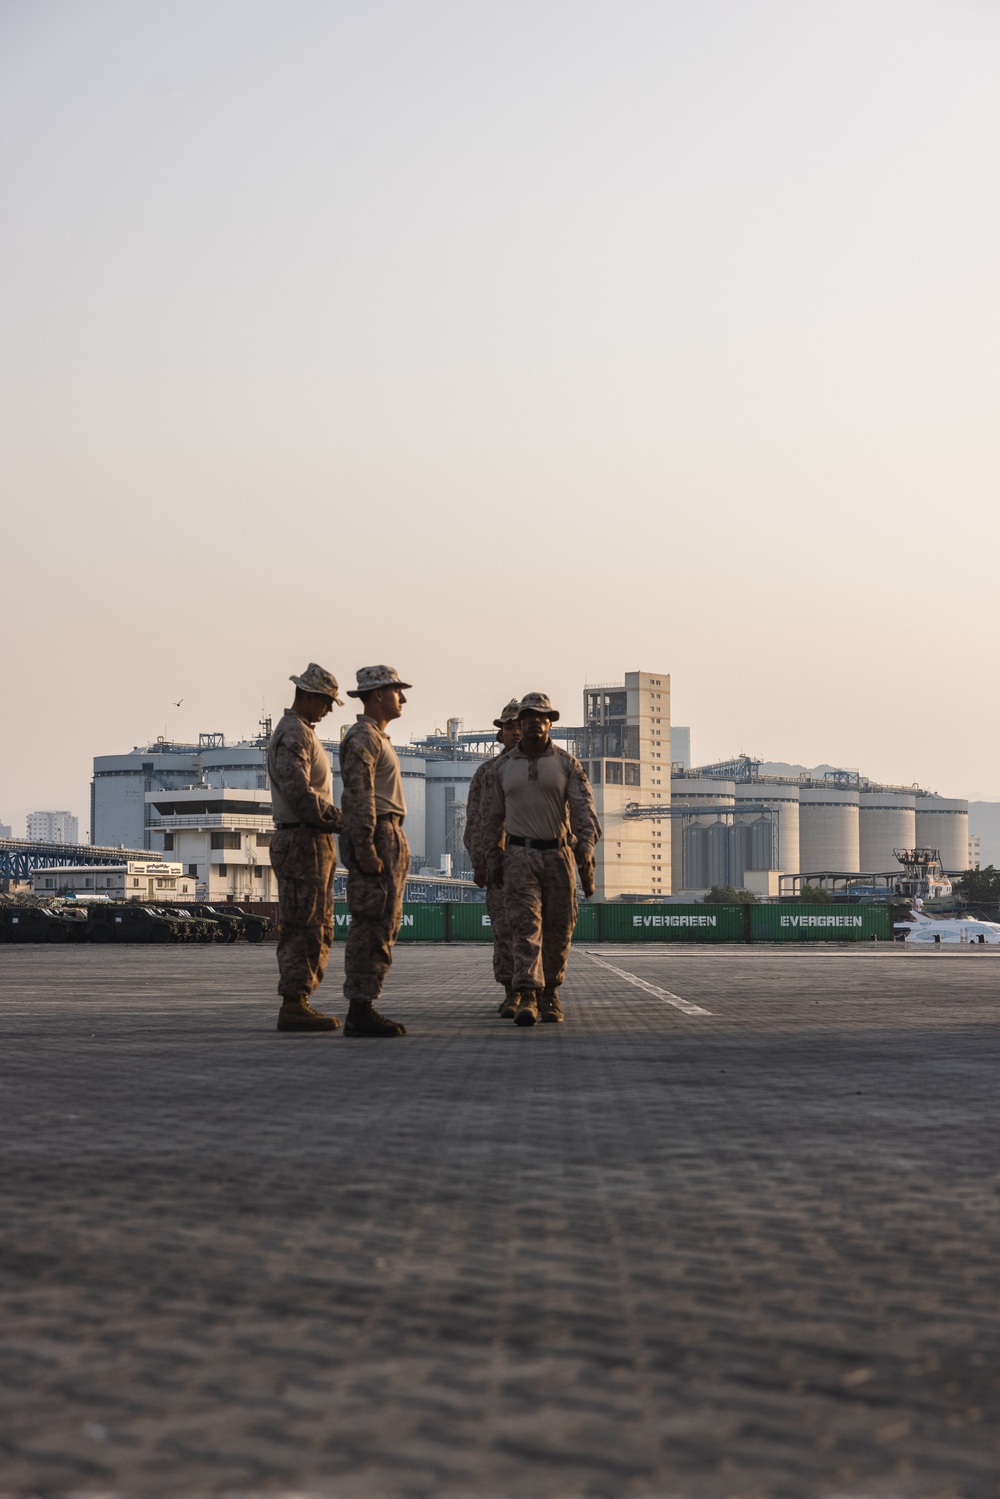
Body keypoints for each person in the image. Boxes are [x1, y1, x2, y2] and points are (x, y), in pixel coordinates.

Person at [484, 692, 601, 1026]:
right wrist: (492, 856)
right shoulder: (502, 768)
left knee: (559, 928)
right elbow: (492, 817)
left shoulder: (566, 764)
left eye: (541, 717)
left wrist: (586, 851)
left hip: (559, 854)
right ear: (519, 724)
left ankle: (551, 993)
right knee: (525, 926)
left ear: (551, 723)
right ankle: (529, 995)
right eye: (529, 717)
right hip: (519, 855)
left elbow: (583, 812)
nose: (535, 722)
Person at [267, 663, 345, 1033]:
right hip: (302, 839)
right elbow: (299, 793)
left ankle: (300, 998)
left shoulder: (303, 733)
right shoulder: (294, 735)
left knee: (316, 922)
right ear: (309, 696)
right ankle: (294, 1001)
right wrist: (341, 820)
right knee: (304, 923)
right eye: (326, 702)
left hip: (311, 839)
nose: (328, 711)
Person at [339, 665, 413, 1037]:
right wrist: (366, 846)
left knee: (385, 922)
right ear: (379, 694)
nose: (403, 698)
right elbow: (360, 795)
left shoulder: (378, 738)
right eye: (398, 691)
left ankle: (365, 1002)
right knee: (372, 922)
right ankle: (360, 1007)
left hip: (389, 832)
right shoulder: (363, 738)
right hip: (379, 833)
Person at [463, 698, 522, 1015]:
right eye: (509, 727)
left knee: (542, 930)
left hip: (538, 860)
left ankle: (539, 990)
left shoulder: (546, 768)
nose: (515, 732)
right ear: (499, 734)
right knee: (504, 930)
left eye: (519, 726)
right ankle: (512, 991)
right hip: (501, 863)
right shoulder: (487, 774)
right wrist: (479, 862)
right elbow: (474, 821)